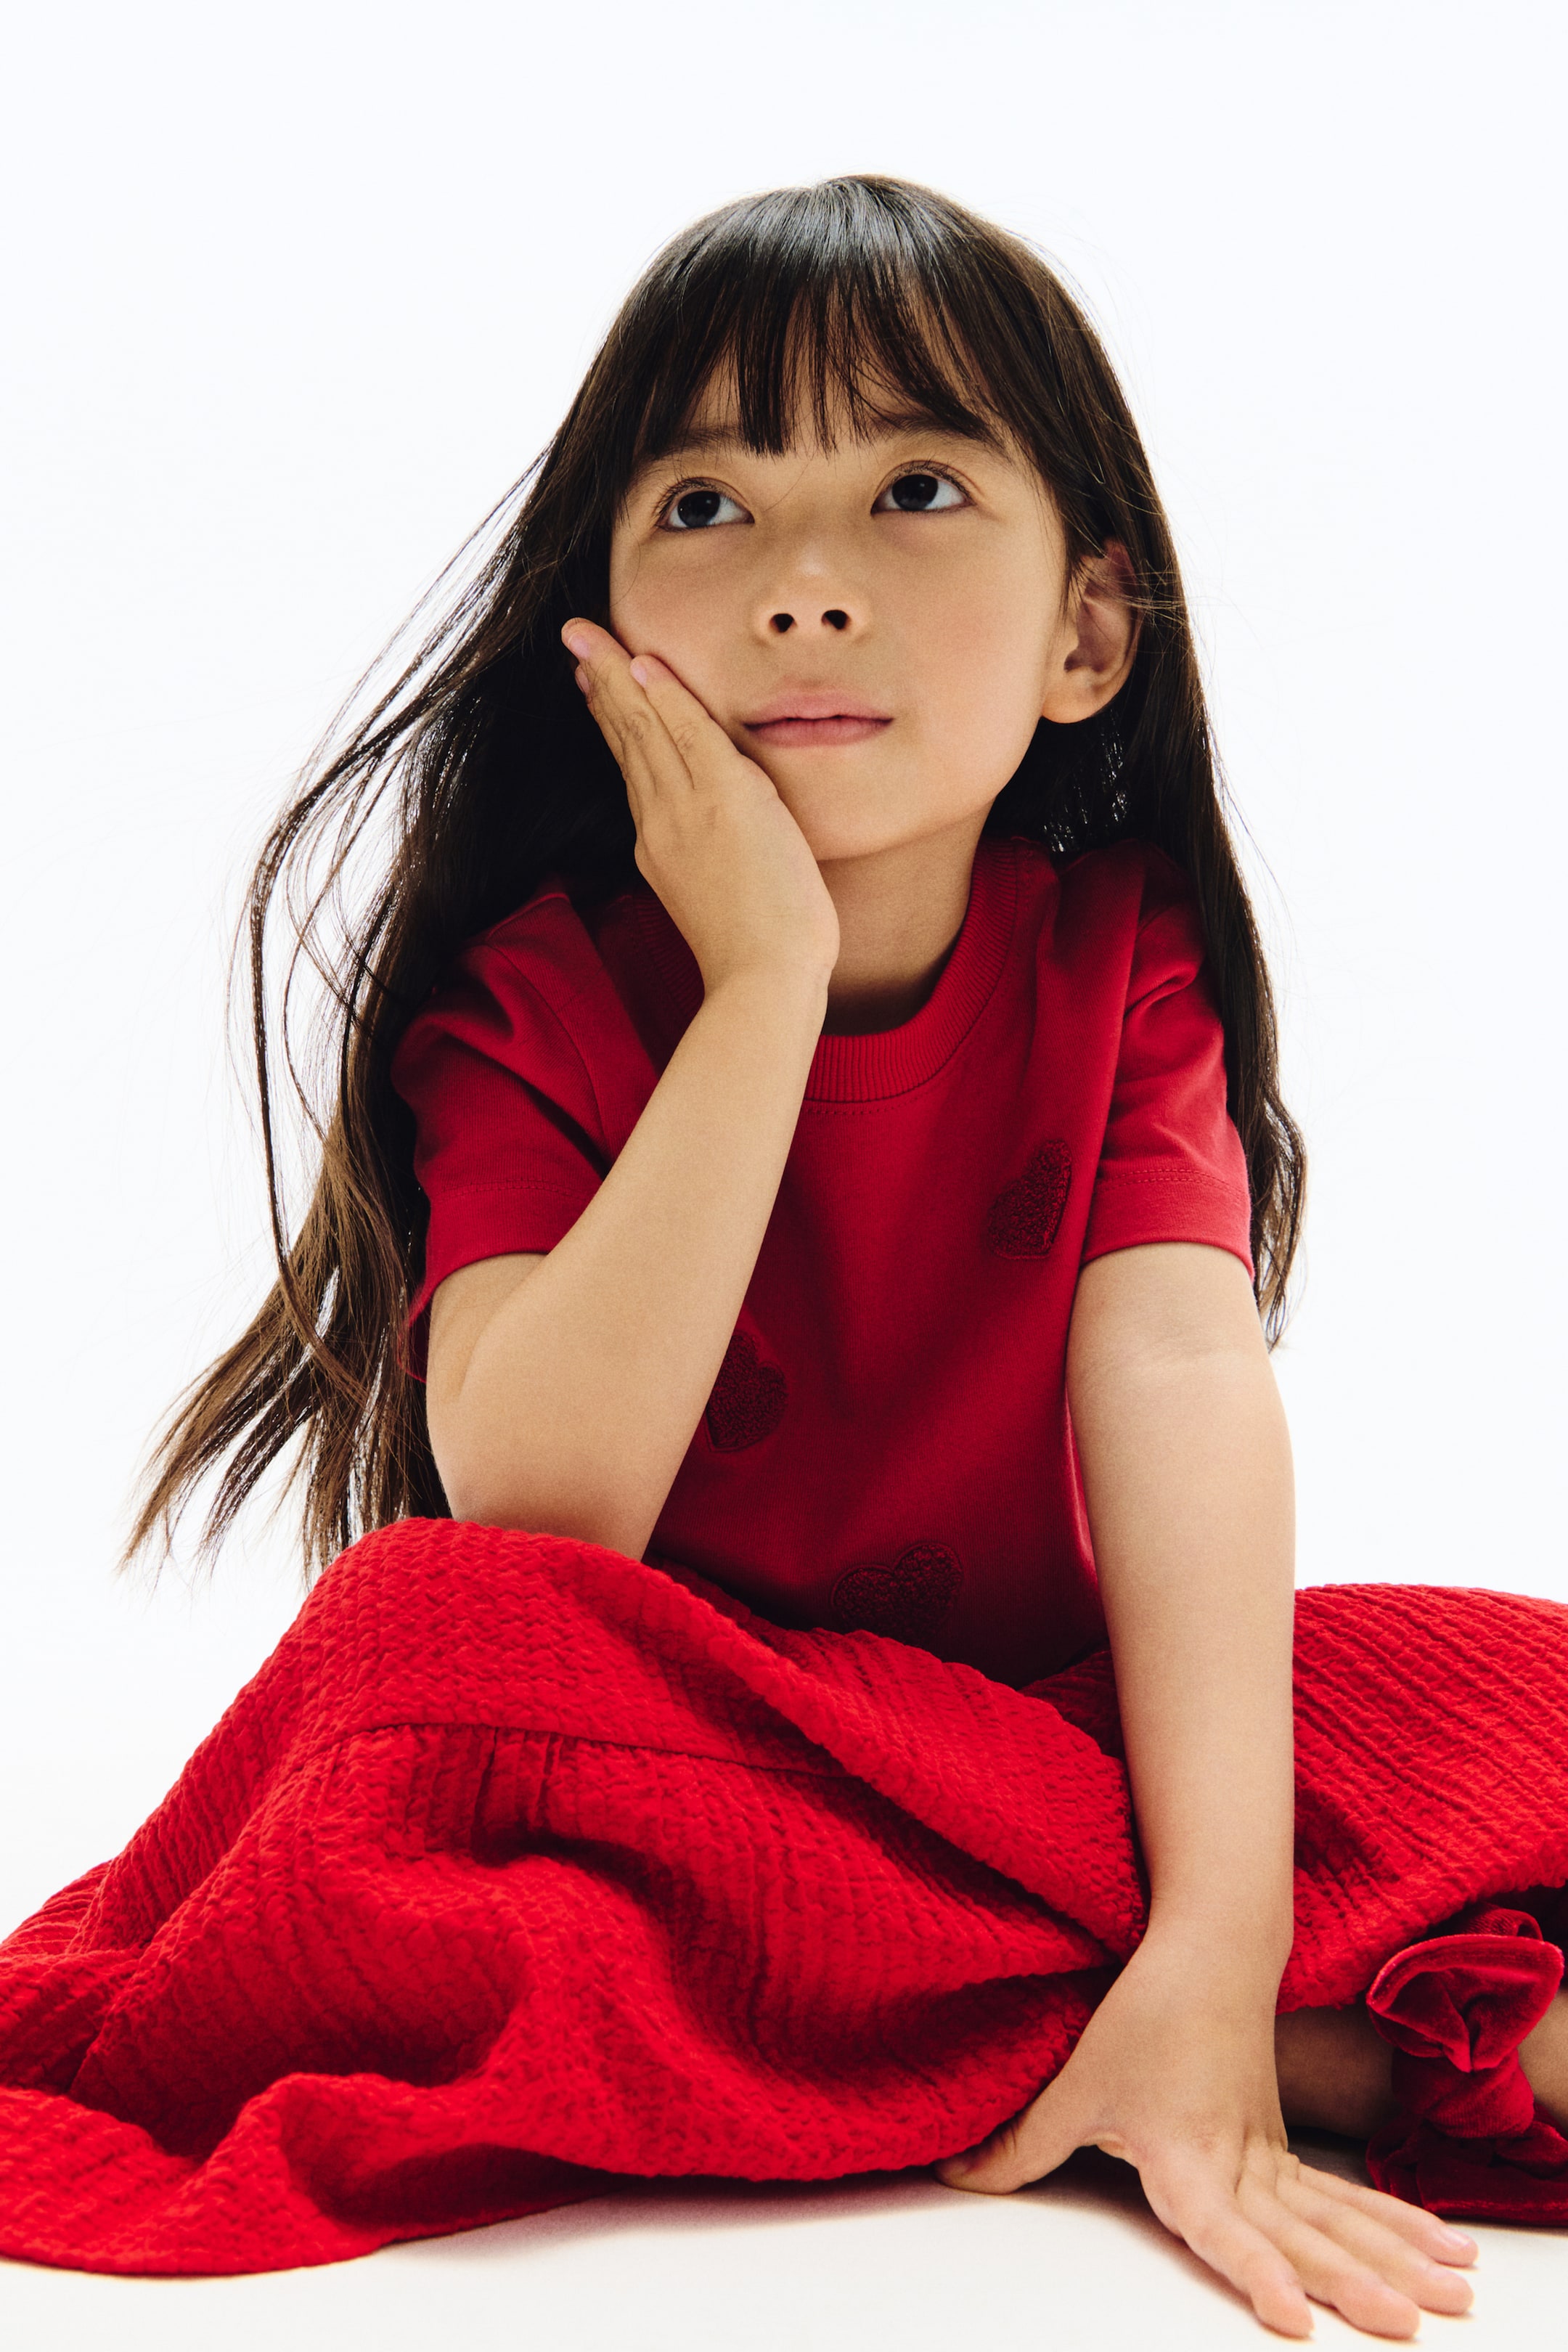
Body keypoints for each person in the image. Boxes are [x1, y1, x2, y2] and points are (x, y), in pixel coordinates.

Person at [7, 175, 1568, 2327]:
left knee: (1502, 1682)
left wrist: (1210, 1923)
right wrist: (756, 987)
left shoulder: (1124, 962)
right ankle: (1320, 2043)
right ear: (602, 631)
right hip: (663, 1797)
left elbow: (1189, 1381)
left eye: (913, 487)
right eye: (712, 507)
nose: (808, 588)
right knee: (416, 1659)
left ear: (1087, 635)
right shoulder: (536, 1000)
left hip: (1040, 1763)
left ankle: (1172, 2009)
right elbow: (545, 1520)